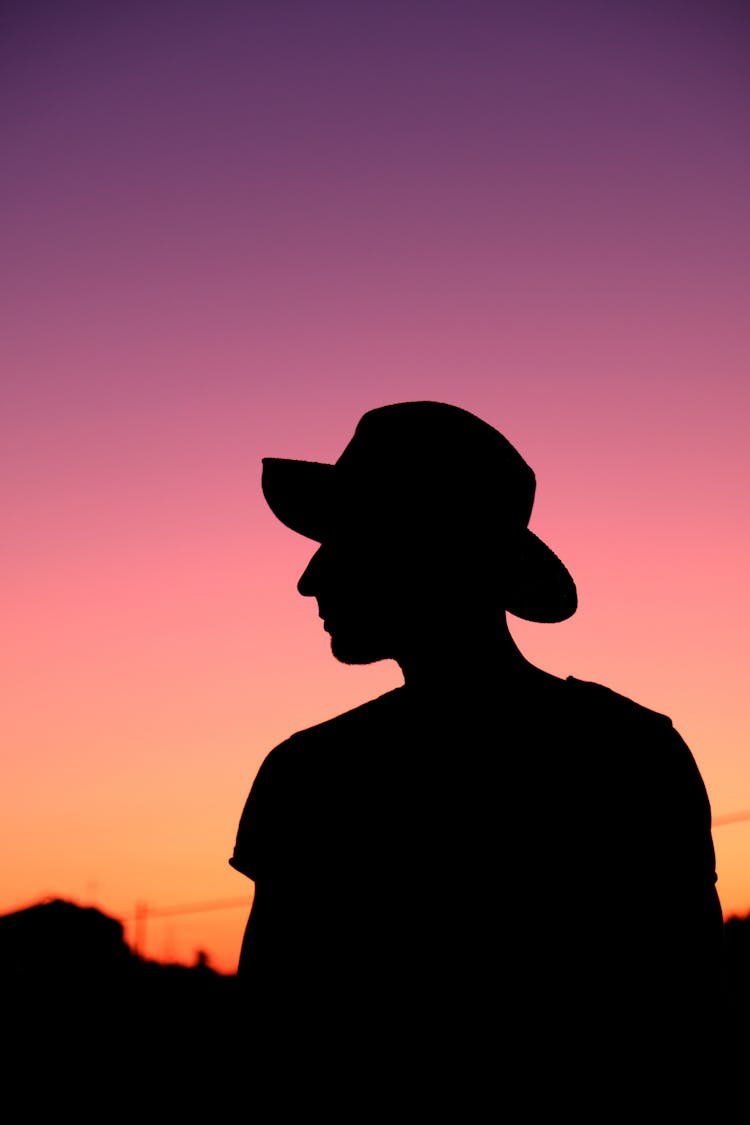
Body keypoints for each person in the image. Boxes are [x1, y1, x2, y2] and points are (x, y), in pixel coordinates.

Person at [229, 400, 725, 1110]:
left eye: (343, 540)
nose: (311, 579)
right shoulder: (632, 752)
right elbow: (688, 1026)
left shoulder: (313, 775)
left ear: (419, 550)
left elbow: (272, 1051)